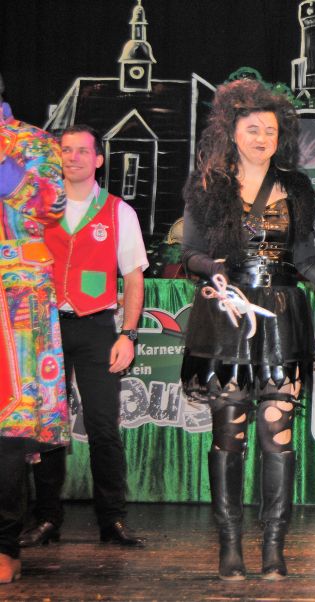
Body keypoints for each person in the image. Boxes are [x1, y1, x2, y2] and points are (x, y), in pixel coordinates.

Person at [180, 78, 315, 581]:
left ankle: (274, 547)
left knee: (278, 435)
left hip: (281, 319)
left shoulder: (297, 187)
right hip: (227, 318)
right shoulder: (208, 184)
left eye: (270, 131)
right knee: (229, 435)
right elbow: (189, 253)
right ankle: (230, 545)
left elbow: (306, 261)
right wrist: (214, 269)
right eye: (252, 129)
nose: (262, 138)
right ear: (232, 132)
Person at [19, 124, 148, 549]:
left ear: (98, 159)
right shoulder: (37, 208)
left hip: (96, 328)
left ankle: (112, 520)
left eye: (82, 151)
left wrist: (128, 334)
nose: (73, 157)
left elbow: (133, 279)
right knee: (47, 430)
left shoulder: (118, 211)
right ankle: (46, 518)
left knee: (103, 427)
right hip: (44, 329)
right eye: (66, 150)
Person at [0, 73, 68, 583]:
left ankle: (4, 545)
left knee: (9, 425)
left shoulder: (32, 142)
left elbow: (51, 205)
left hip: (17, 299)